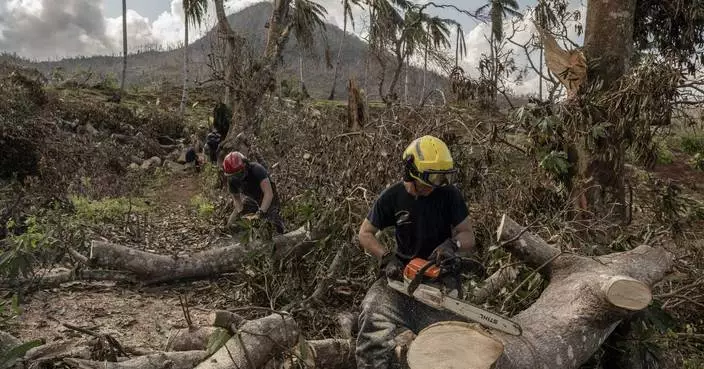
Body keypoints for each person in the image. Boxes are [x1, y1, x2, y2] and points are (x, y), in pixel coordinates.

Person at [355, 135, 476, 369]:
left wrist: (453, 245)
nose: (438, 183)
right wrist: (385, 257)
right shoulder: (393, 196)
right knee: (372, 317)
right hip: (402, 277)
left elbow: (468, 235)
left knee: (448, 343)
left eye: (444, 176)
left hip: (441, 277)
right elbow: (365, 233)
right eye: (433, 177)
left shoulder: (449, 195)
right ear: (412, 170)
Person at [223, 151, 285, 234]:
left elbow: (268, 193)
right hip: (252, 199)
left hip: (268, 197)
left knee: (274, 226)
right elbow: (237, 199)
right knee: (232, 224)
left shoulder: (257, 169)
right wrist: (241, 214)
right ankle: (246, 240)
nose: (237, 177)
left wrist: (260, 213)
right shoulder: (232, 180)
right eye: (234, 175)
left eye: (238, 173)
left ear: (245, 165)